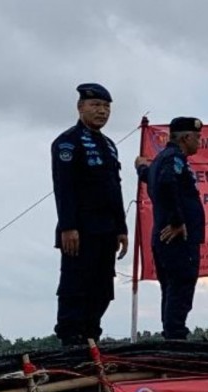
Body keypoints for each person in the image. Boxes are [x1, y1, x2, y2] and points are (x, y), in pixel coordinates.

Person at [51, 83, 128, 346]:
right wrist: (68, 227)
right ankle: (70, 338)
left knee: (103, 288)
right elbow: (64, 189)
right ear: (81, 107)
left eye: (106, 107)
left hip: (107, 229)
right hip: (79, 230)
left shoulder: (108, 145)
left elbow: (114, 189)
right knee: (75, 286)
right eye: (96, 105)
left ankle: (91, 335)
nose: (102, 111)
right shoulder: (67, 142)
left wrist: (122, 228)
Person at [136, 117, 205, 340]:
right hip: (176, 237)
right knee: (180, 287)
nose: (199, 142)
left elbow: (150, 177)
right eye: (197, 137)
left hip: (165, 237)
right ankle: (176, 336)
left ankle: (173, 333)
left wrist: (140, 167)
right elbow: (166, 183)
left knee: (172, 288)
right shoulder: (174, 158)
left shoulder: (160, 160)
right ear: (186, 137)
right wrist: (177, 221)